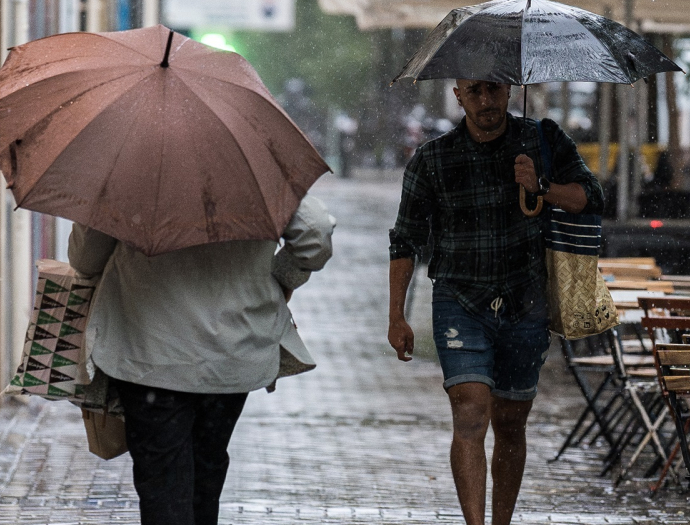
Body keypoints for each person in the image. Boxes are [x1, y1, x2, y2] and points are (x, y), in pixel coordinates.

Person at [387, 79, 604, 525]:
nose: (485, 101)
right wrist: (397, 315)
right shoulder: (433, 158)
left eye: (493, 90)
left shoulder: (542, 140)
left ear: (508, 89)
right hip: (459, 300)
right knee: (469, 409)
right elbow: (404, 240)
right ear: (458, 96)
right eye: (474, 92)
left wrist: (541, 185)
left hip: (526, 302)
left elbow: (590, 197)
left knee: (510, 422)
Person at [69, 196, 335, 525]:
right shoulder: (255, 168)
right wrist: (279, 279)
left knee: (162, 479)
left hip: (149, 351)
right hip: (232, 348)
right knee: (207, 469)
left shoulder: (134, 169)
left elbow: (86, 259)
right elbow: (315, 234)